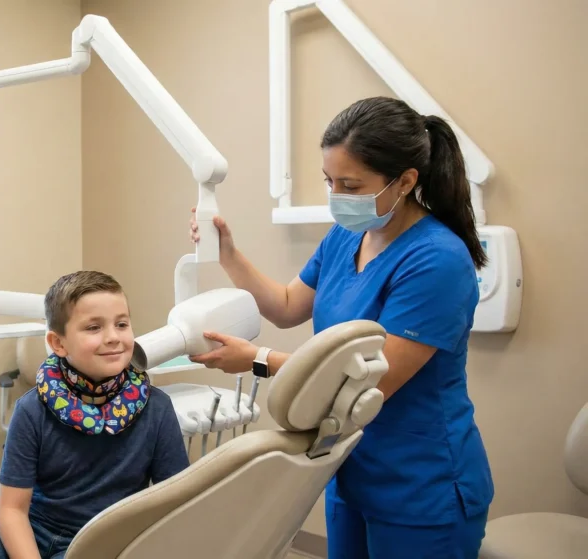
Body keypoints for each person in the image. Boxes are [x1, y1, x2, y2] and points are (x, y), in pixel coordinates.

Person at [187, 96, 493, 559]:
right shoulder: (348, 235)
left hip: (420, 483)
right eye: (329, 181)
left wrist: (257, 360)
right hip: (349, 464)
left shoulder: (437, 260)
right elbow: (288, 305)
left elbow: (372, 380)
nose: (335, 196)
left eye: (350, 184)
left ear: (406, 181)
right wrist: (229, 255)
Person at [0, 270, 190, 559]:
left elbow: (176, 504)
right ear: (58, 343)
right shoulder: (32, 410)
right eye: (94, 328)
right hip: (34, 525)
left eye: (121, 324)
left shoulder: (156, 409)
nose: (113, 337)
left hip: (103, 538)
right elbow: (11, 510)